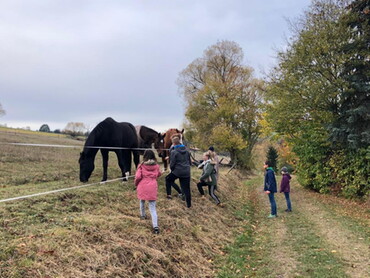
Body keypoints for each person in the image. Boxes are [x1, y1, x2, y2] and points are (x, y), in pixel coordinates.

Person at [134, 150, 162, 234]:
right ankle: (155, 226)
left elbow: (138, 176)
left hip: (142, 185)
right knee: (152, 207)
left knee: (142, 200)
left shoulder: (141, 166)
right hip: (152, 186)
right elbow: (159, 174)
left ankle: (143, 215)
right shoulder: (156, 166)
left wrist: (136, 183)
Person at [165, 136, 192, 208]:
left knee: (168, 179)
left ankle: (169, 195)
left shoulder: (174, 152)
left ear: (173, 143)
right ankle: (189, 205)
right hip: (186, 171)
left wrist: (172, 169)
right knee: (187, 188)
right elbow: (189, 162)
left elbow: (172, 163)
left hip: (177, 171)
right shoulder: (187, 151)